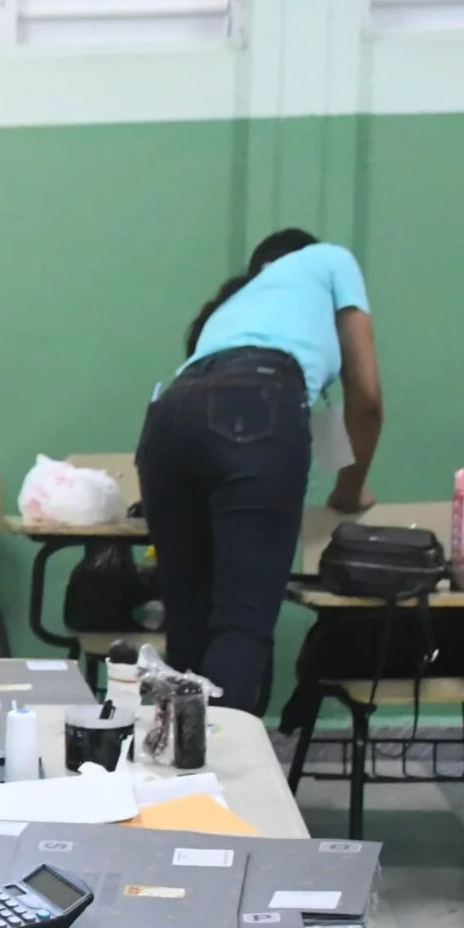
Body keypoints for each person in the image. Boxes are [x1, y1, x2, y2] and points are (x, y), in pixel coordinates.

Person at [136, 228, 382, 712]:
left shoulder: (231, 310)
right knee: (240, 622)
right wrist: (350, 491)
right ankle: (226, 781)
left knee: (189, 622)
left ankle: (174, 779)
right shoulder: (331, 259)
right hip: (259, 401)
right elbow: (368, 398)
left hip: (168, 416)